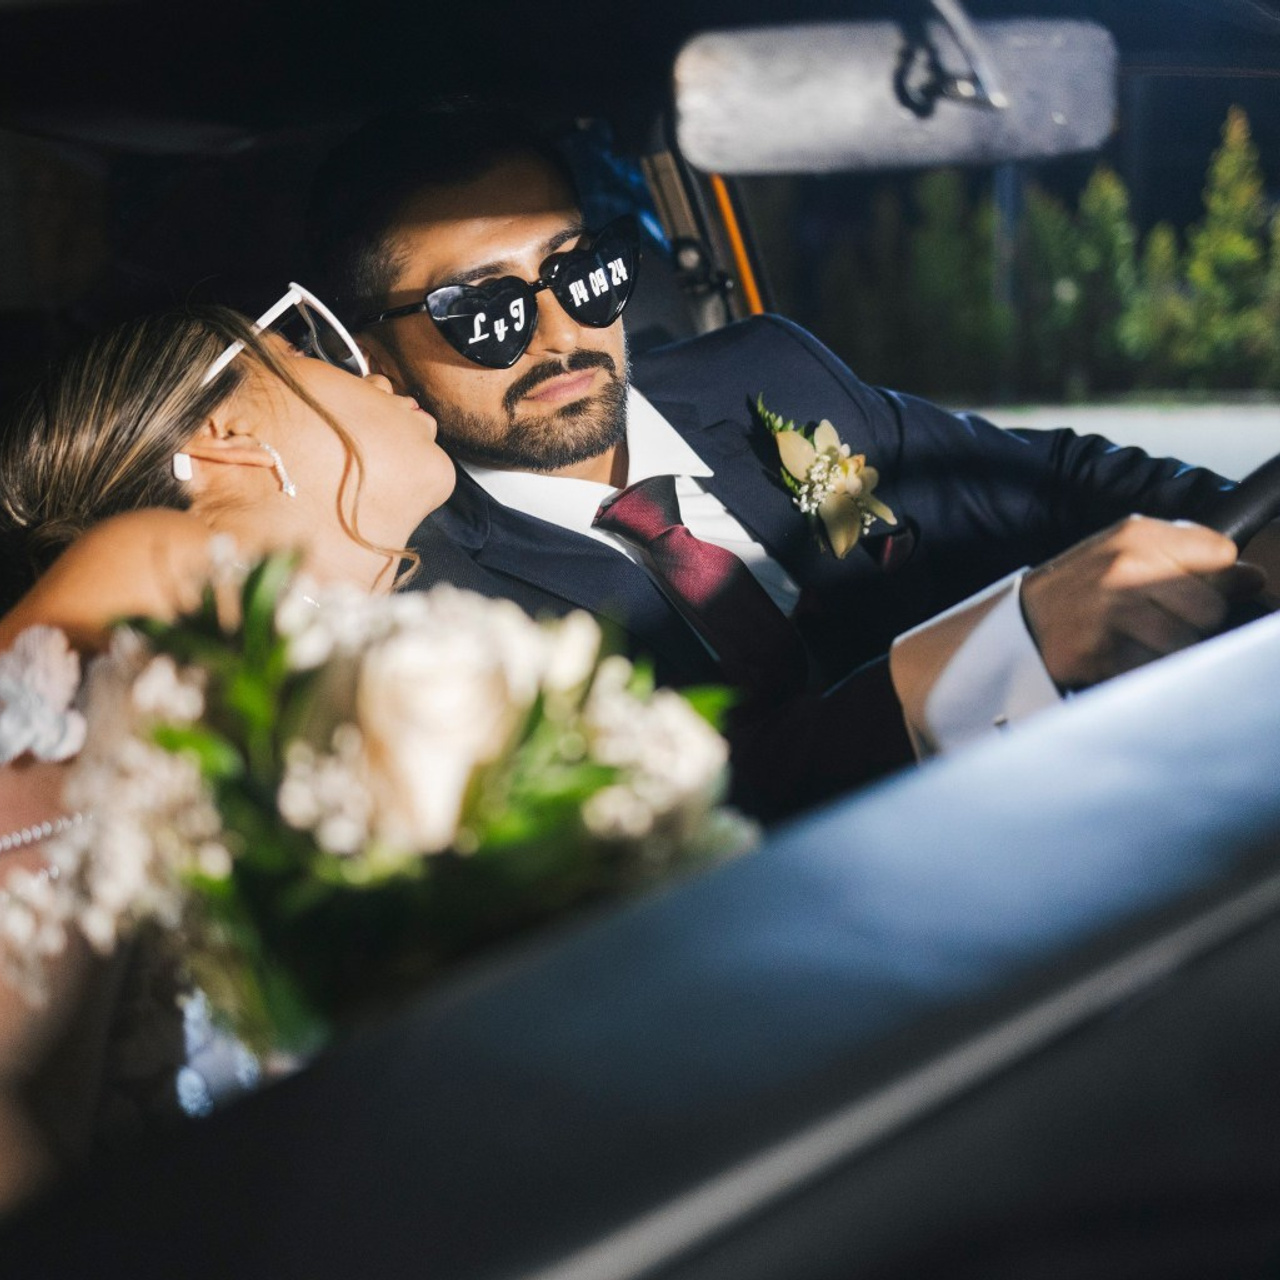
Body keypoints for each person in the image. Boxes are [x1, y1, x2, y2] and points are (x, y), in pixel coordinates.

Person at [304, 102, 1272, 810]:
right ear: (370, 353)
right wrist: (1008, 642)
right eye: (482, 310)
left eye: (578, 271)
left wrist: (1249, 540)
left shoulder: (766, 370)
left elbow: (1048, 482)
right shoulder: (423, 604)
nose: (562, 332)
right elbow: (677, 820)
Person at [0, 286, 459, 1211]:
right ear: (224, 435)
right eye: (322, 349)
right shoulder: (155, 564)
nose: (381, 367)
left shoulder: (421, 656)